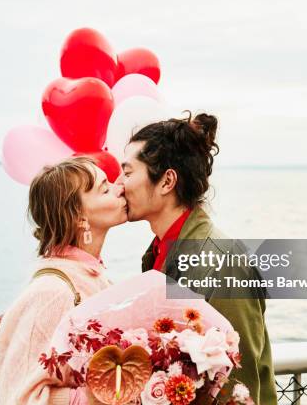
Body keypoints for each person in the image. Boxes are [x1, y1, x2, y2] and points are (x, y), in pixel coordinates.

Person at [116, 112, 278, 404]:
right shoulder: (158, 252)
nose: (119, 185)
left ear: (166, 181)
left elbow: (239, 387)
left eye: (127, 173)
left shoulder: (223, 261)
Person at [0, 156, 127, 405]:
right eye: (105, 188)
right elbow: (19, 398)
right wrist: (100, 398)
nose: (121, 188)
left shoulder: (93, 277)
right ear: (80, 218)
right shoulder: (52, 293)